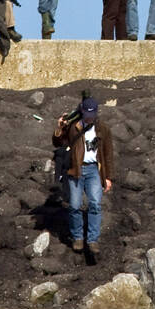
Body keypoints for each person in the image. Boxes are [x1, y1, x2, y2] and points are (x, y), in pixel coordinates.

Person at [52, 94, 115, 255]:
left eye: (92, 115)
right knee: (74, 205)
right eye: (87, 115)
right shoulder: (73, 127)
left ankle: (93, 240)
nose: (89, 118)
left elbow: (108, 154)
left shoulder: (103, 129)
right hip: (76, 169)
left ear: (96, 113)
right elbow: (58, 143)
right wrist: (60, 128)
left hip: (94, 169)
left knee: (95, 204)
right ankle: (78, 237)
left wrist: (108, 177)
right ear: (82, 112)